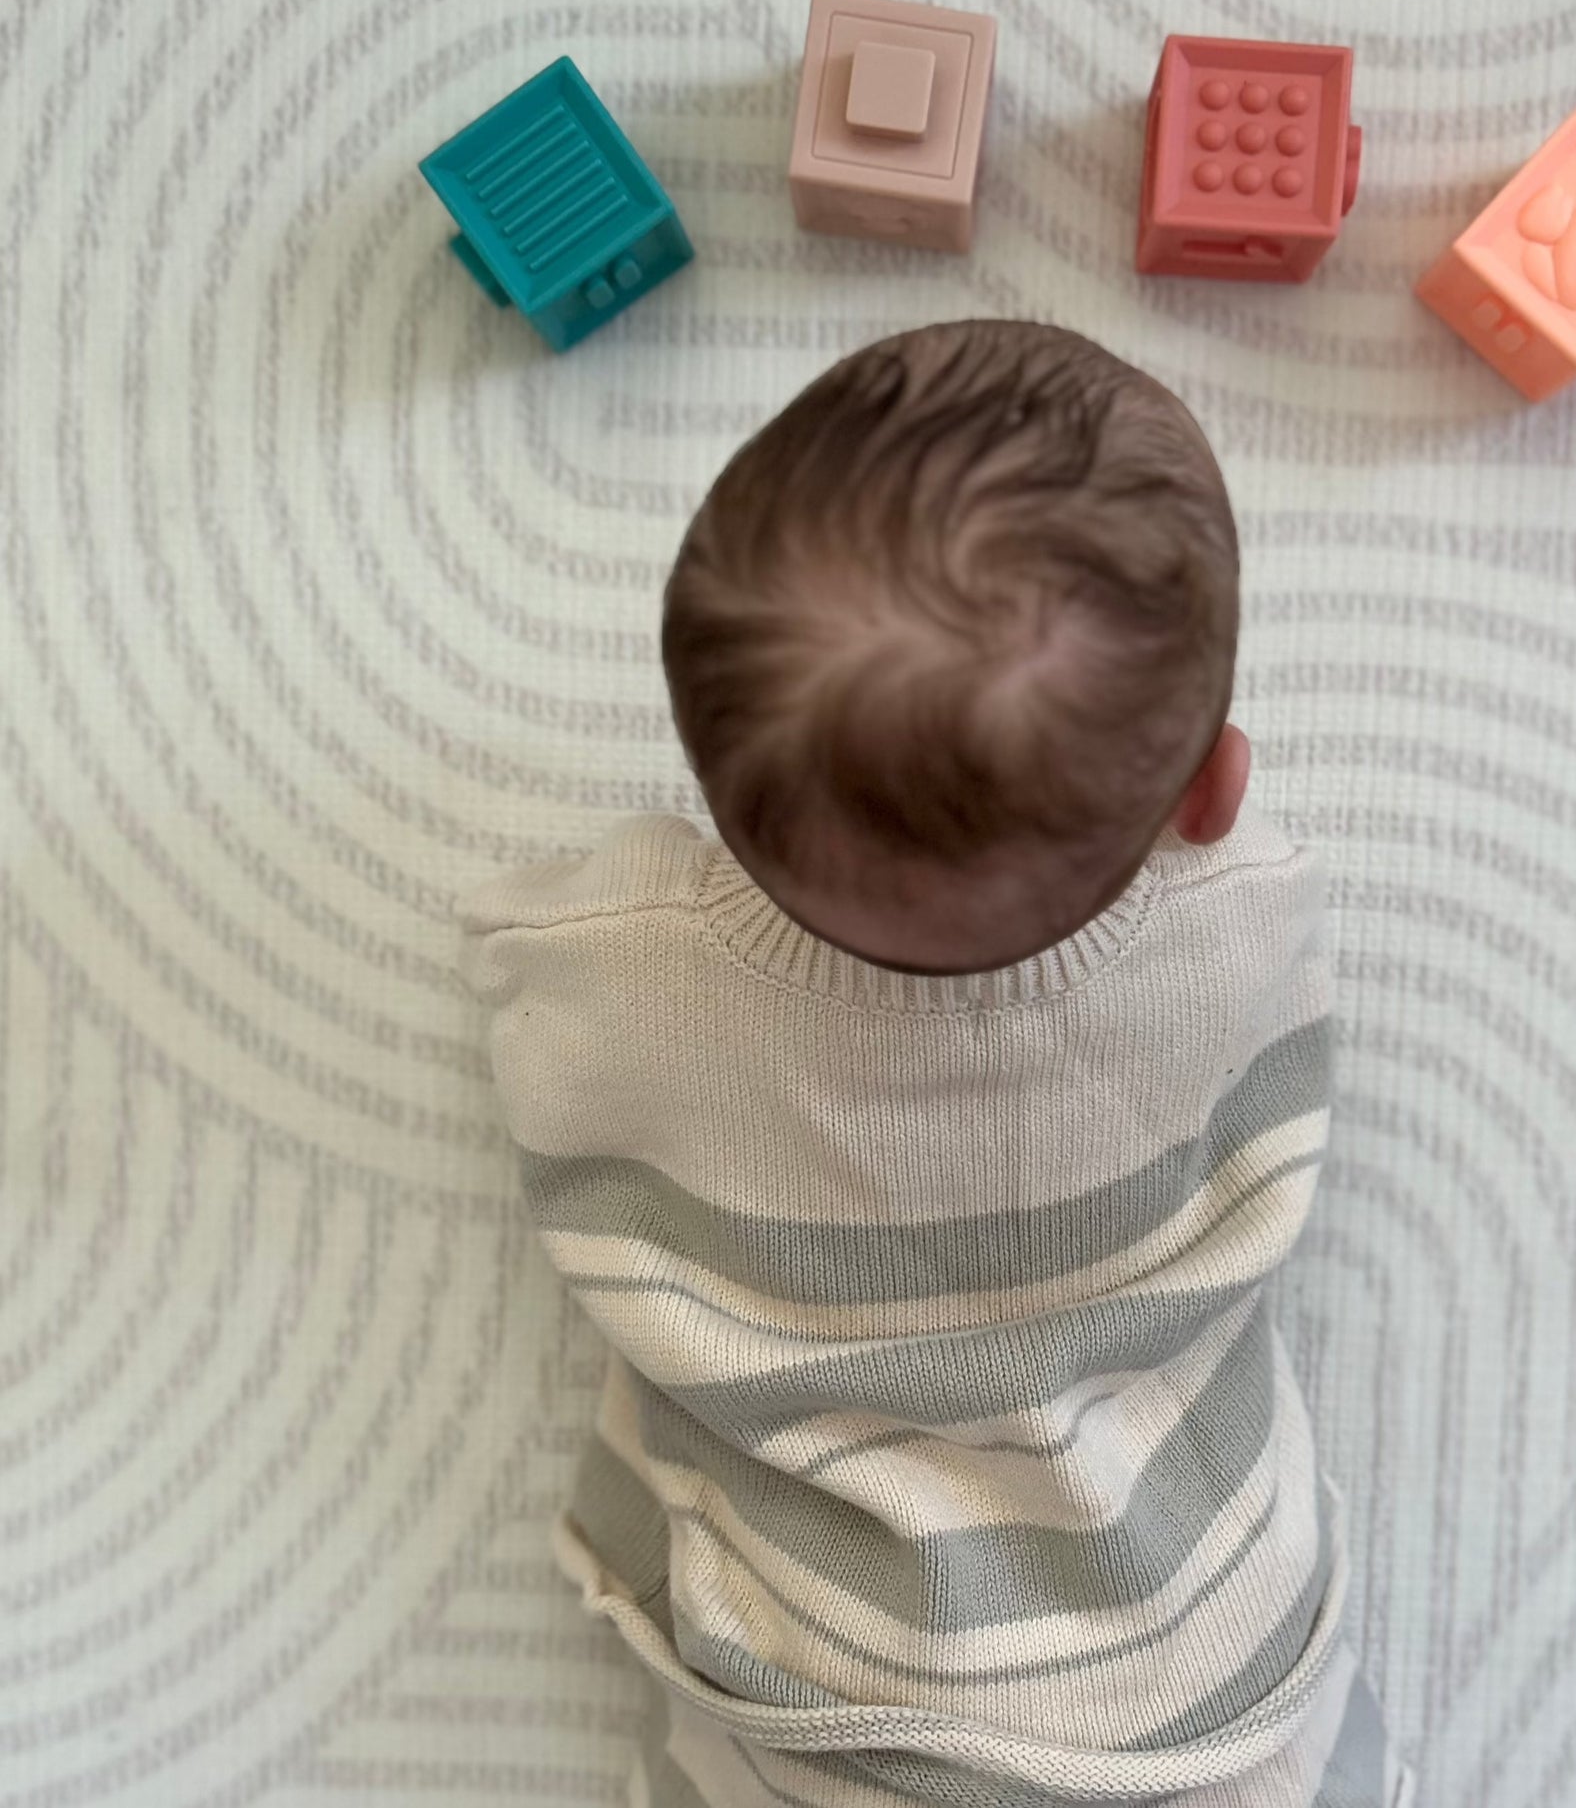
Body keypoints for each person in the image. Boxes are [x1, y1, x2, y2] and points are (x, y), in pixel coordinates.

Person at [460, 320, 1413, 1807]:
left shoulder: (617, 962)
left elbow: (520, 960)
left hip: (817, 1684)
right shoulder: (1241, 919)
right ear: (1215, 783)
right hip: (1197, 1668)